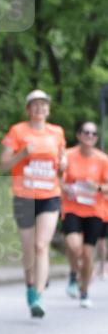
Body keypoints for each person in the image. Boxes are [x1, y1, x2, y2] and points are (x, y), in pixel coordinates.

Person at [0, 90, 66, 318]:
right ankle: (30, 284)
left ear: (48, 109)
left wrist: (64, 164)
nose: (39, 108)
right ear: (28, 109)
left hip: (49, 194)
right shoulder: (18, 131)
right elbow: (2, 166)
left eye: (43, 104)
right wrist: (21, 155)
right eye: (35, 105)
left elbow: (62, 159)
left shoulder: (57, 132)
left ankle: (38, 294)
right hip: (24, 195)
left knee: (41, 245)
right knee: (28, 249)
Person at [61, 120, 108, 308]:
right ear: (79, 135)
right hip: (72, 207)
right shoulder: (68, 156)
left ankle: (84, 291)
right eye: (86, 133)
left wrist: (96, 186)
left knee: (88, 255)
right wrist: (68, 188)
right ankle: (74, 274)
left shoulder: (103, 160)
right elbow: (59, 179)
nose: (90, 136)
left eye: (93, 134)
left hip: (94, 211)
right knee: (74, 246)